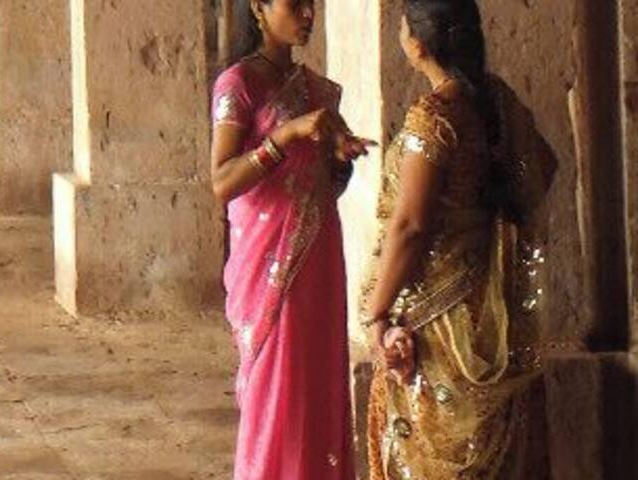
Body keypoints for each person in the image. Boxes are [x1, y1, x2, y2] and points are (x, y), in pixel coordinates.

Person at [361, 0, 555, 477]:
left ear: (418, 44)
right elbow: (543, 169)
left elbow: (410, 227)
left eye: (403, 22)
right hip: (488, 309)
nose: (400, 29)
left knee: (430, 457)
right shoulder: (498, 103)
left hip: (437, 325)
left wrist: (376, 313)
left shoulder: (434, 116)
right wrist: (482, 219)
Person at [209, 0, 374, 478]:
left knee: (317, 385)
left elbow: (321, 183)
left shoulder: (315, 89)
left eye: (313, 4)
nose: (308, 14)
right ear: (259, 6)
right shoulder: (238, 84)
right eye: (295, 4)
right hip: (269, 270)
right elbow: (222, 182)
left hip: (318, 256)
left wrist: (339, 159)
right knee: (276, 389)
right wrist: (283, 137)